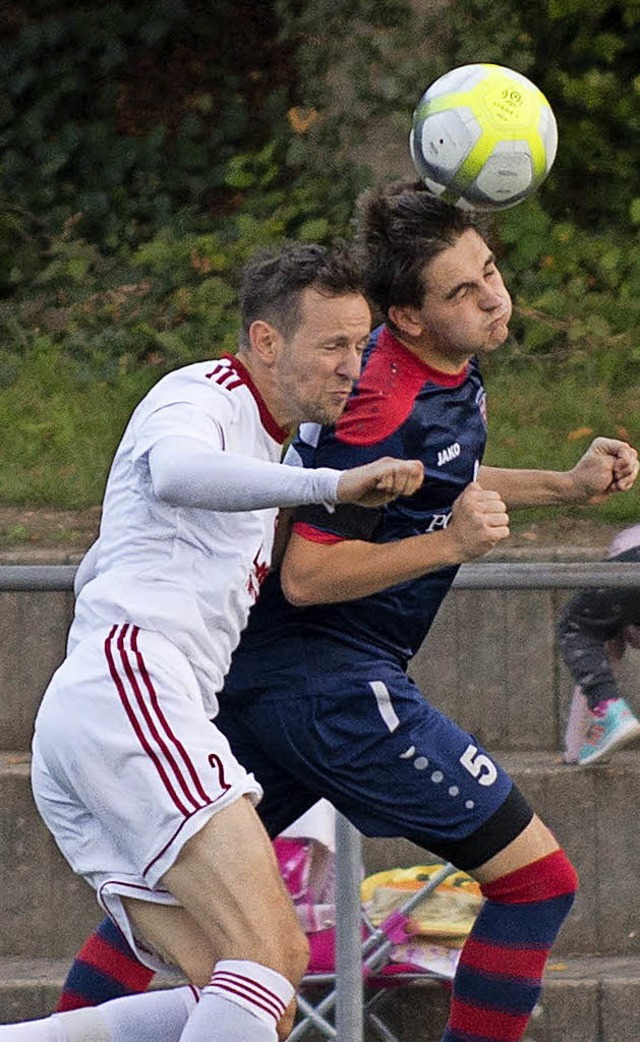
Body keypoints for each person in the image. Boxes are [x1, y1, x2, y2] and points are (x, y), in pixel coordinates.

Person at [16, 187, 639, 1041]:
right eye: (462, 290)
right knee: (515, 889)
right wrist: (380, 510)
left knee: (216, 969)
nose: (494, 296)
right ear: (406, 319)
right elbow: (294, 557)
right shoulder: (246, 398)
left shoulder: (333, 400)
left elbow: (430, 478)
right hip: (291, 685)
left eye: (490, 272)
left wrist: (562, 488)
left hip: (224, 689)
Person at [3, 241, 424, 1042]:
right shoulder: (201, 391)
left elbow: (125, 536)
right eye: (333, 344)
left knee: (224, 987)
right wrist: (328, 488)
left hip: (106, 708)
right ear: (266, 342)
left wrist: (562, 488)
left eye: (362, 343)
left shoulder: (272, 442)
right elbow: (176, 472)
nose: (354, 365)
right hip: (132, 691)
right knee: (271, 956)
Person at [559, 523, 640, 765]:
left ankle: (610, 710)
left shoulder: (627, 541)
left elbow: (603, 657)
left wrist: (573, 751)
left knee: (578, 627)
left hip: (630, 573)